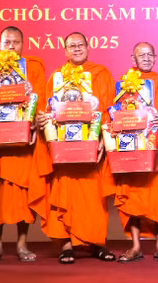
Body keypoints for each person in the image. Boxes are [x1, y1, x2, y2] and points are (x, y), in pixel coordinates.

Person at [36, 32, 117, 264]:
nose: (77, 49)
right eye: (72, 46)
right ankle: (66, 245)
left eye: (81, 45)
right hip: (64, 147)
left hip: (91, 144)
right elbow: (48, 111)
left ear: (88, 47)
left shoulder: (101, 74)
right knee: (64, 192)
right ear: (65, 51)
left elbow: (109, 109)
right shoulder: (57, 77)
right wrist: (42, 120)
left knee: (94, 197)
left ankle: (98, 243)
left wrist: (104, 140)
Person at [0, 26, 51, 263]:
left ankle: (21, 244)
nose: (11, 46)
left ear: (23, 45)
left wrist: (34, 121)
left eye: (16, 42)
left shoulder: (32, 68)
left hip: (22, 143)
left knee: (22, 193)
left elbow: (39, 98)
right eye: (7, 42)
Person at [111, 42, 158, 263]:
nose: (147, 58)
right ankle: (135, 246)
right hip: (131, 145)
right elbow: (116, 111)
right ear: (133, 59)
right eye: (142, 55)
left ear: (155, 57)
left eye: (150, 54)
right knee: (132, 194)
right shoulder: (125, 83)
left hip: (156, 144)